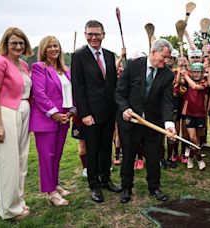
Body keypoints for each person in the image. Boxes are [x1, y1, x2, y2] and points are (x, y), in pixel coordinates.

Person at [115, 39, 177, 204]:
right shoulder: (133, 65)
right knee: (128, 156)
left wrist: (169, 125)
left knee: (153, 155)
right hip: (130, 122)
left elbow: (167, 102)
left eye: (168, 58)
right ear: (153, 52)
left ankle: (154, 187)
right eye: (163, 57)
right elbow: (119, 93)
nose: (166, 61)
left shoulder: (167, 74)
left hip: (153, 124)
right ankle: (126, 187)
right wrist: (125, 109)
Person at [0, 27, 33, 220]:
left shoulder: (23, 65)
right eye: (14, 43)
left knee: (21, 158)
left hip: (22, 111)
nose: (18, 46)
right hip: (5, 112)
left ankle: (18, 202)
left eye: (21, 43)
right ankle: (8, 210)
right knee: (7, 161)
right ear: (6, 43)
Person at [71, 20, 121, 203]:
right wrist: (84, 113)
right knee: (92, 150)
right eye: (90, 34)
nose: (94, 37)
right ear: (85, 35)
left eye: (97, 34)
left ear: (103, 35)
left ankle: (106, 179)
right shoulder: (79, 56)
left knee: (106, 148)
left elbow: (112, 84)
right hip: (90, 113)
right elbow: (78, 87)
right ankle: (94, 185)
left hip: (108, 112)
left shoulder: (109, 55)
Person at [29, 36, 74, 206]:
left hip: (63, 118)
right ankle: (50, 192)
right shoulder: (39, 68)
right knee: (47, 156)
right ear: (44, 50)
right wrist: (54, 113)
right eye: (50, 47)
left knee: (57, 154)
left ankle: (54, 184)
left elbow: (72, 91)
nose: (54, 49)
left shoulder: (66, 69)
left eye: (56, 46)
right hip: (46, 118)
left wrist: (71, 111)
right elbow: (40, 94)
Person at [182, 62, 209, 170]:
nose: (196, 74)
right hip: (189, 113)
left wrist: (186, 75)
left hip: (200, 113)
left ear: (202, 73)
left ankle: (191, 157)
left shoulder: (204, 82)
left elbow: (194, 86)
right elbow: (179, 82)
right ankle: (199, 159)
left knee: (197, 139)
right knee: (193, 138)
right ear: (191, 72)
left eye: (198, 72)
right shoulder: (186, 81)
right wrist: (182, 72)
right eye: (194, 72)